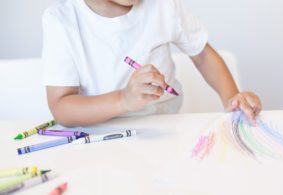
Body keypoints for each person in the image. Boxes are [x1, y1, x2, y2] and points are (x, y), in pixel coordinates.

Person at [42, 0, 262, 127]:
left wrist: (232, 97)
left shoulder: (163, 5)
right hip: (97, 137)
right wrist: (123, 100)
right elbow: (62, 107)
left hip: (164, 128)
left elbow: (202, 53)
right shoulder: (62, 20)